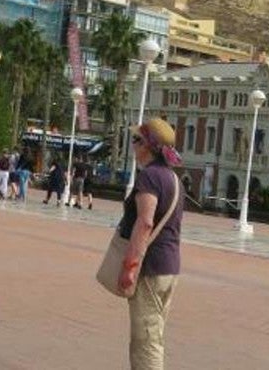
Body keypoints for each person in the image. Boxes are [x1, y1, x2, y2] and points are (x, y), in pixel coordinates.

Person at [116, 118, 184, 370]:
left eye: (136, 140)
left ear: (148, 147)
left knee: (146, 341)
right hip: (169, 267)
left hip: (150, 269)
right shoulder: (172, 179)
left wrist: (130, 266)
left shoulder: (150, 178)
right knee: (153, 335)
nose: (133, 146)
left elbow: (145, 223)